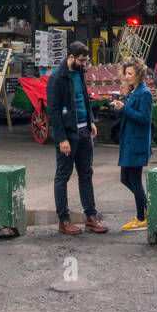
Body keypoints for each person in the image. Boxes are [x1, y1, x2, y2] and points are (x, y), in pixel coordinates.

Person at [46, 41, 108, 236]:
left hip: (84, 132)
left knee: (86, 174)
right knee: (62, 176)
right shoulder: (57, 78)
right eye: (82, 60)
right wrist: (61, 138)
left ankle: (91, 218)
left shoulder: (80, 73)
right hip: (68, 135)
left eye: (86, 60)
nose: (85, 64)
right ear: (71, 57)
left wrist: (90, 120)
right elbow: (54, 111)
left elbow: (84, 98)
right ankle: (64, 221)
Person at [112, 58, 153, 230]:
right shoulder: (132, 90)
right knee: (125, 178)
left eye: (130, 74)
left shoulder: (144, 93)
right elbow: (129, 114)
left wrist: (125, 109)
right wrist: (120, 108)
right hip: (129, 141)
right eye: (126, 73)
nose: (127, 76)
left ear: (139, 74)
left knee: (134, 180)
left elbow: (144, 119)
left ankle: (141, 217)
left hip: (137, 142)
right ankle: (146, 210)